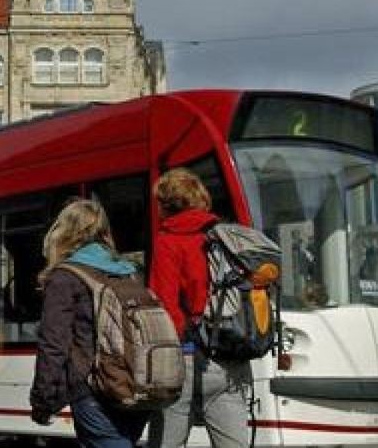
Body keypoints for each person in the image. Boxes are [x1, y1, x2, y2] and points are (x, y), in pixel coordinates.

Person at [29, 198, 151, 448]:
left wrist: (43, 401)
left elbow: (53, 345)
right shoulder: (129, 272)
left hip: (94, 390)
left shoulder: (64, 277)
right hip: (135, 385)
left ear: (63, 232)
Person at [149, 168, 250, 448]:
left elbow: (165, 308)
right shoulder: (225, 236)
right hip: (232, 357)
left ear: (166, 204)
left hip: (188, 357)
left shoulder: (169, 240)